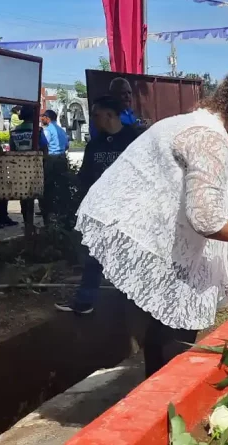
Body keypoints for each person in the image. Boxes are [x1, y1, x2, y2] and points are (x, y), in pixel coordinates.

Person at [72, 67, 228, 377]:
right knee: (170, 339)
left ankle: (157, 398)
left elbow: (219, 204)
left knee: (163, 332)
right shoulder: (208, 136)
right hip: (149, 240)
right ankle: (159, 408)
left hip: (151, 238)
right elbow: (207, 218)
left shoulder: (205, 125)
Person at [55, 96, 144, 314]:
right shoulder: (95, 145)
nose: (93, 120)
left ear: (110, 115)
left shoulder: (135, 140)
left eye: (96, 115)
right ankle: (85, 301)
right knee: (95, 254)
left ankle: (142, 302)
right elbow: (85, 177)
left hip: (132, 209)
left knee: (136, 254)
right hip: (103, 210)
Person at [9, 105, 49, 223]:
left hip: (20, 168)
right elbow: (44, 149)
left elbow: (12, 150)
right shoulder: (38, 130)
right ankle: (47, 222)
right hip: (36, 167)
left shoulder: (14, 131)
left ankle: (27, 223)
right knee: (41, 194)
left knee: (24, 195)